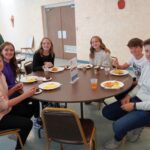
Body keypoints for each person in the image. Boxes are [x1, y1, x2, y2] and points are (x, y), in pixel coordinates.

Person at [102, 38, 150, 150]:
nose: (148, 54)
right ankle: (134, 122)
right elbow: (139, 85)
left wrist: (134, 106)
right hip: (138, 99)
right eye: (147, 51)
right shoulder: (147, 65)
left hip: (147, 109)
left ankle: (117, 139)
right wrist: (128, 96)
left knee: (118, 125)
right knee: (107, 112)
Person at [0, 42, 40, 128]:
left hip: (14, 89)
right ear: (1, 52)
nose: (9, 52)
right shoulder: (1, 67)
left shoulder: (11, 63)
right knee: (33, 96)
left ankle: (35, 118)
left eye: (11, 50)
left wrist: (17, 86)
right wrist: (20, 91)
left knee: (35, 95)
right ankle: (25, 121)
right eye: (6, 50)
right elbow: (5, 91)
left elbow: (12, 82)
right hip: (8, 95)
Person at [0, 54, 36, 150]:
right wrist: (25, 95)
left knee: (30, 109)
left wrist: (14, 89)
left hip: (5, 110)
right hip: (1, 116)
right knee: (28, 123)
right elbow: (4, 105)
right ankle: (19, 147)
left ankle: (20, 131)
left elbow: (4, 95)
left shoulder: (1, 75)